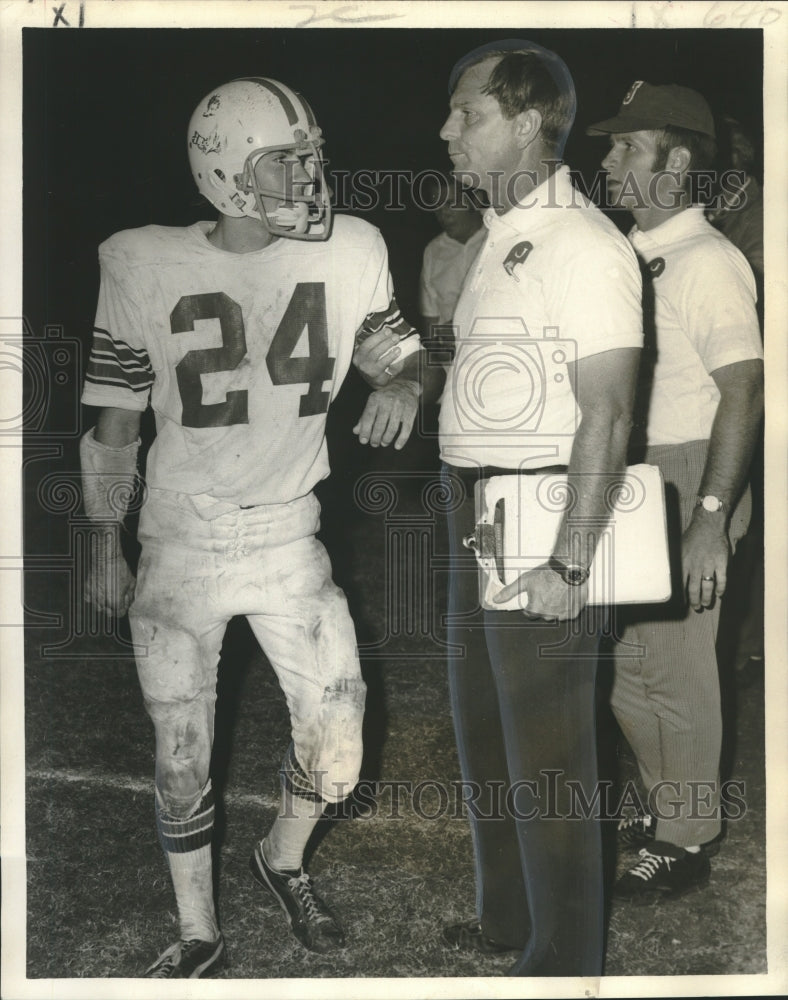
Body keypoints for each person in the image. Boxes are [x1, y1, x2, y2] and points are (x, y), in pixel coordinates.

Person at [79, 77, 421, 979]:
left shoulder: (354, 249)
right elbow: (113, 420)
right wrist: (99, 541)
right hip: (181, 543)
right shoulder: (142, 261)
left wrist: (404, 382)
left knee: (340, 744)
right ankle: (199, 929)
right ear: (223, 172)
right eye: (284, 163)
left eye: (311, 158)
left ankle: (283, 857)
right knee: (181, 753)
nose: (308, 179)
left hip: (288, 537)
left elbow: (400, 350)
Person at [386, 40, 644, 976]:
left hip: (539, 513)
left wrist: (571, 563)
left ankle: (564, 957)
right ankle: (509, 922)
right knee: (486, 730)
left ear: (529, 123)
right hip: (477, 508)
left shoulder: (584, 243)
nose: (447, 130)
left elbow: (608, 412)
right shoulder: (501, 236)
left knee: (551, 751)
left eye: (469, 114)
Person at [587, 82, 764, 900]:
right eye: (612, 146)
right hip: (634, 476)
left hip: (689, 475)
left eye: (629, 146)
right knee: (627, 666)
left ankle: (686, 839)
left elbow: (745, 392)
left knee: (680, 666)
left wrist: (711, 516)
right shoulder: (632, 252)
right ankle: (668, 808)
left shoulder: (710, 261)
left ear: (678, 160)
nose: (609, 159)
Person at [418, 173, 485, 360]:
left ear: (475, 201)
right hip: (453, 367)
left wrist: (461, 330)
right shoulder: (433, 251)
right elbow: (430, 319)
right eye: (437, 206)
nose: (443, 213)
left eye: (450, 203)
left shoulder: (497, 237)